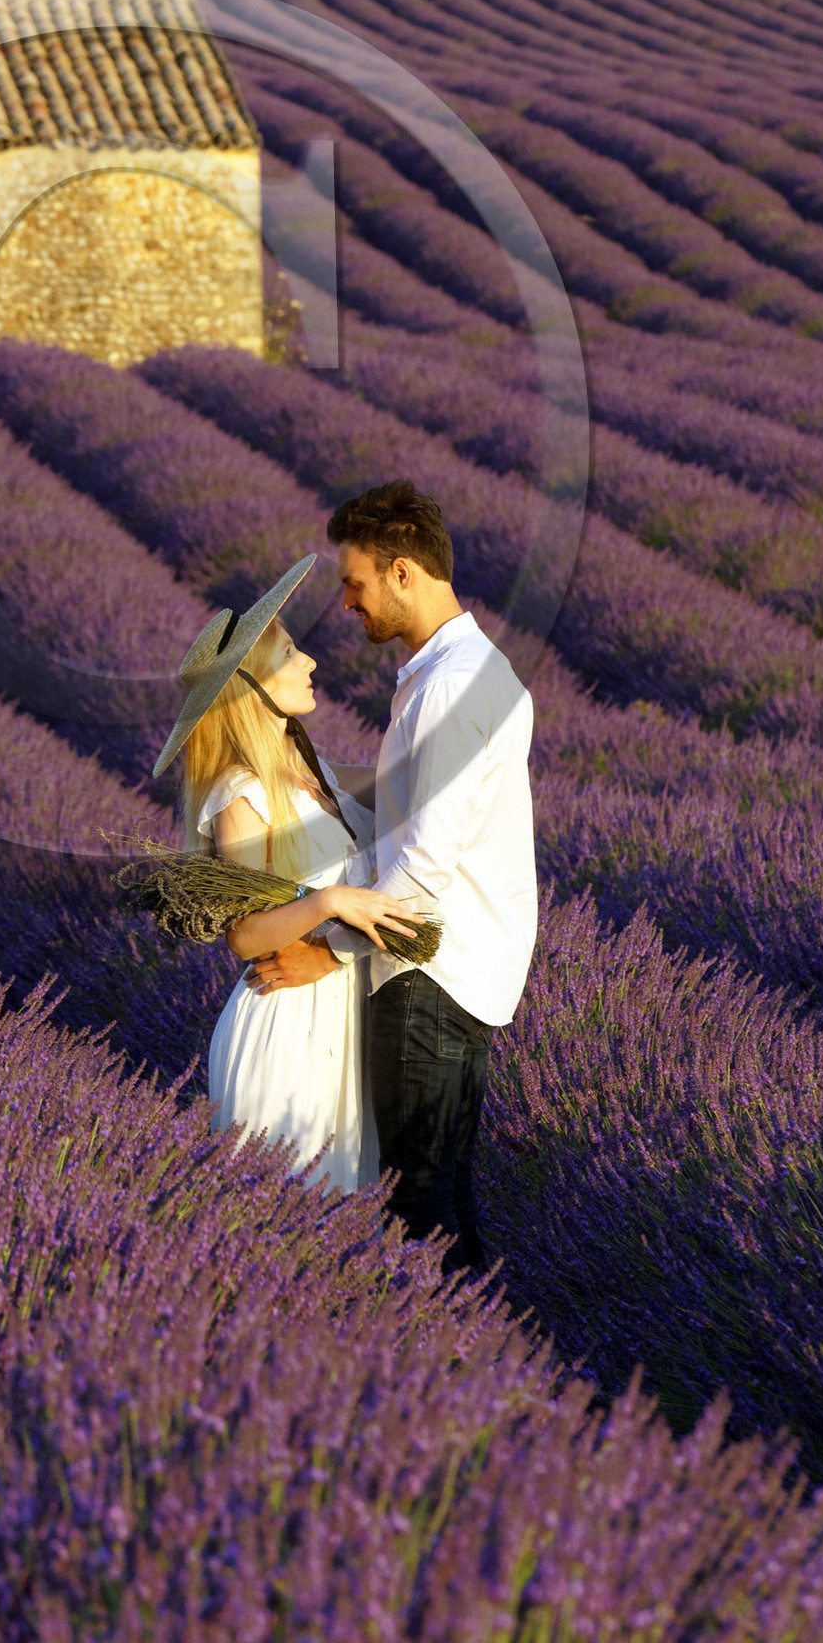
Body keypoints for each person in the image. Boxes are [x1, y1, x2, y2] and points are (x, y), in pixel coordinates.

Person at [245, 483, 536, 1273]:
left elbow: (423, 866)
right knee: (444, 1188)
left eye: (355, 582)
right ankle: (490, 1365)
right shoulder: (472, 669)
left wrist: (325, 949)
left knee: (419, 1199)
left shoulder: (445, 688)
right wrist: (292, 778)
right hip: (464, 969)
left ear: (403, 573)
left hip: (427, 972)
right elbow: (406, 800)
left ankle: (460, 1371)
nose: (346, 602)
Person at [152, 555, 421, 1194]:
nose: (311, 663)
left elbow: (416, 791)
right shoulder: (240, 793)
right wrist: (330, 901)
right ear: (252, 685)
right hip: (288, 1027)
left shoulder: (317, 773)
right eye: (292, 653)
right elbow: (244, 937)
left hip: (342, 1025)